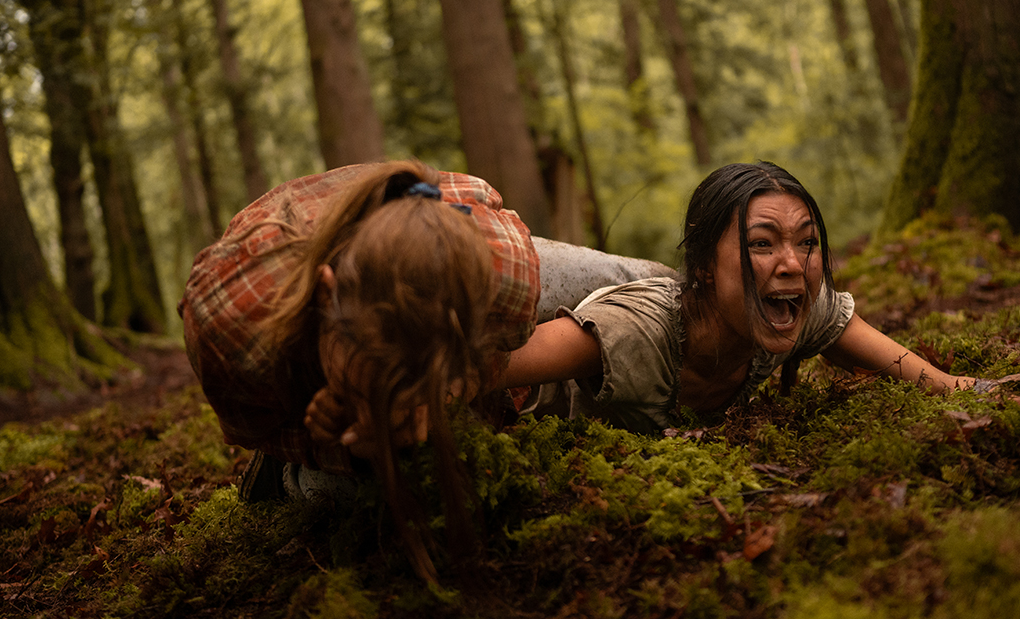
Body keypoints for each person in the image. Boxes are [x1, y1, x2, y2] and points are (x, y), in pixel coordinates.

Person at [178, 160, 674, 583]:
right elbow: (252, 430)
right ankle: (293, 478)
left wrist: (454, 389)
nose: (404, 399)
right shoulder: (235, 333)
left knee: (654, 284)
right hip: (290, 348)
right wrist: (333, 440)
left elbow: (495, 358)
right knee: (354, 496)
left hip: (452, 253)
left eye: (420, 380)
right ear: (327, 297)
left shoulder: (503, 274)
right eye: (377, 370)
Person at [488, 161, 989, 433]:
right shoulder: (635, 333)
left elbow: (930, 378)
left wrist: (978, 391)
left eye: (807, 242)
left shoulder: (792, 309)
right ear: (704, 266)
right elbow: (480, 368)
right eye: (761, 243)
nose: (792, 263)